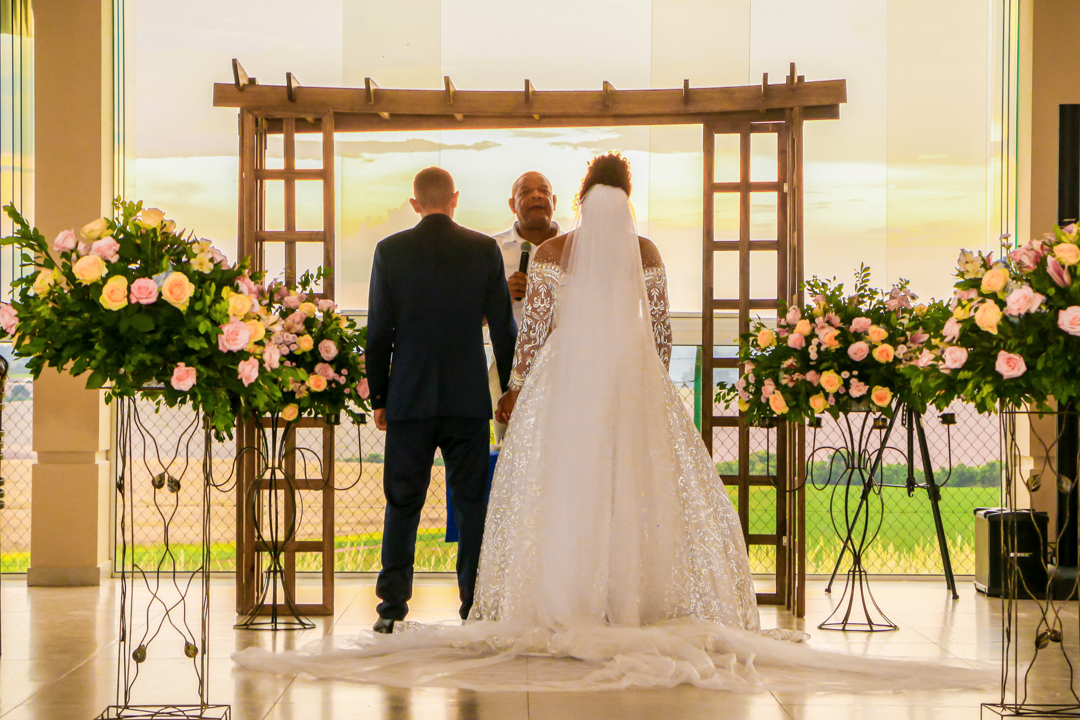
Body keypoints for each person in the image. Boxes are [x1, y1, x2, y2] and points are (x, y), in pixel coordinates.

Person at [234, 156, 991, 693]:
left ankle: (411, 610)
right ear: (623, 202)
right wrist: (646, 382)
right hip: (601, 386)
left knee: (532, 494)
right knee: (625, 494)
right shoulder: (643, 247)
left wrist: (513, 387)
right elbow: (658, 336)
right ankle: (599, 600)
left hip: (525, 385)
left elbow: (522, 333)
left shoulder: (535, 250)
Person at [364, 167, 517, 633]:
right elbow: (504, 327)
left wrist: (381, 396)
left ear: (414, 204)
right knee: (472, 504)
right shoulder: (483, 249)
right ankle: (472, 605)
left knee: (402, 503)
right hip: (467, 397)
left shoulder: (390, 251)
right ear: (454, 198)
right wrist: (508, 386)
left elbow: (378, 333)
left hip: (408, 398)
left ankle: (391, 609)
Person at [488, 171, 561, 443]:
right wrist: (500, 299)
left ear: (554, 200)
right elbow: (469, 319)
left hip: (565, 366)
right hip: (508, 364)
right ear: (512, 204)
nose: (536, 196)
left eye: (543, 191)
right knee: (511, 452)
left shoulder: (577, 248)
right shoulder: (492, 249)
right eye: (526, 192)